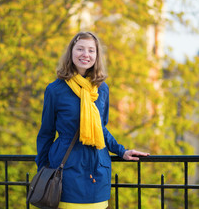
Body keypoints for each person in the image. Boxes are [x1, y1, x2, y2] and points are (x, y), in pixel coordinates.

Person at [35, 32, 149, 209]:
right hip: (66, 173)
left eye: (91, 50)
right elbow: (46, 134)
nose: (85, 54)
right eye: (80, 49)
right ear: (71, 52)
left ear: (97, 56)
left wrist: (122, 151)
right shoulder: (55, 90)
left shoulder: (102, 89)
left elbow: (101, 129)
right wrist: (43, 173)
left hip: (98, 171)